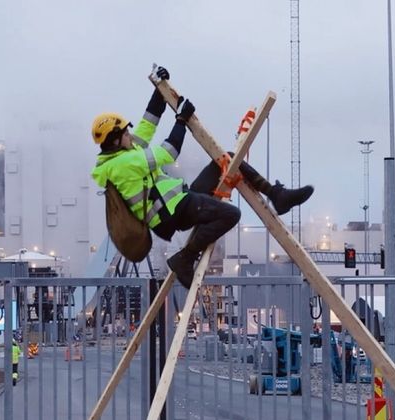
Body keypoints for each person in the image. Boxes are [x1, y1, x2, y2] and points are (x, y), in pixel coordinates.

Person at [90, 66, 314, 288]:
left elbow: (147, 126)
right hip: (170, 213)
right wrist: (181, 120)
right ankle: (186, 258)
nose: (130, 135)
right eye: (125, 133)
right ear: (115, 139)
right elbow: (169, 152)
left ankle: (276, 195)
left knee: (226, 159)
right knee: (231, 215)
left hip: (178, 200)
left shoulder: (124, 153)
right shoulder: (123, 164)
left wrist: (160, 91)